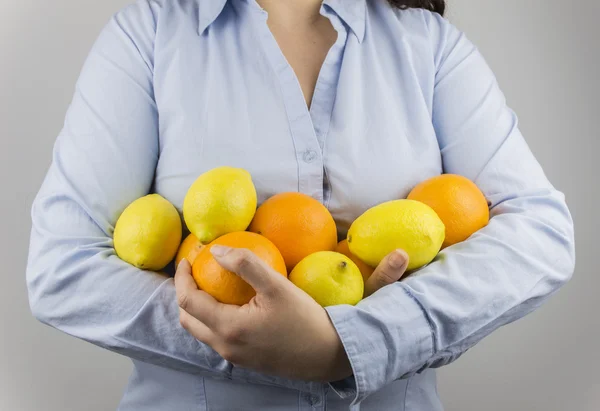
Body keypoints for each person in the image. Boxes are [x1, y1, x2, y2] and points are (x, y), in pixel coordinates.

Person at [26, 0, 575, 410]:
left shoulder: (428, 46)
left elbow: (540, 234)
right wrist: (249, 339)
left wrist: (352, 343)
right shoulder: (148, 34)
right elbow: (63, 268)